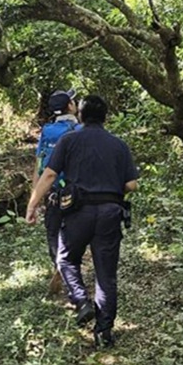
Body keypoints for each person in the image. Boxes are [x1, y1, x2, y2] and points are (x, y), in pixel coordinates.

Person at [25, 95, 139, 348]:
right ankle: (104, 332)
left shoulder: (69, 140)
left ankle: (81, 300)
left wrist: (32, 204)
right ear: (106, 116)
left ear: (81, 116)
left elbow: (50, 173)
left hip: (78, 212)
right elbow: (132, 184)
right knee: (106, 275)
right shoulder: (119, 145)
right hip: (110, 213)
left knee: (66, 259)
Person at [34, 88, 81, 292]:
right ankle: (70, 268)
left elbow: (39, 167)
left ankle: (58, 265)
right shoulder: (80, 130)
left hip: (52, 192)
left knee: (53, 232)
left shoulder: (46, 131)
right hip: (77, 192)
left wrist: (34, 197)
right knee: (74, 231)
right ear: (70, 106)